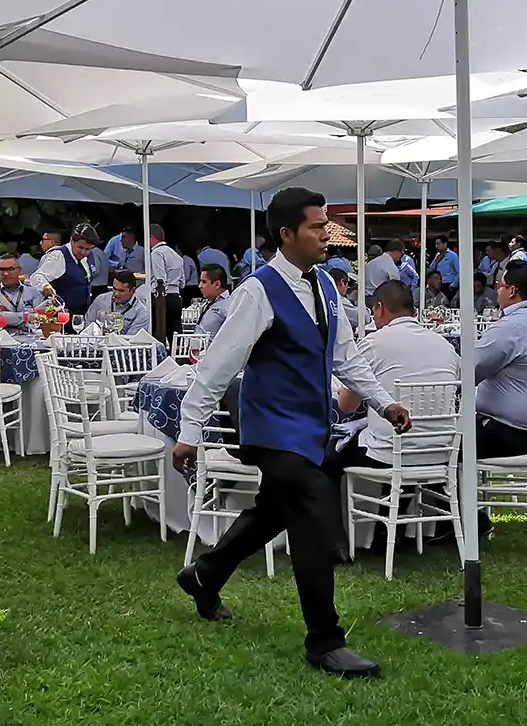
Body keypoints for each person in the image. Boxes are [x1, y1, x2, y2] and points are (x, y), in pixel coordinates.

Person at [174, 186, 409, 679]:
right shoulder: (257, 291)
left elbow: (346, 357)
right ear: (286, 234)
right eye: (316, 227)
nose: (327, 235)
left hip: (311, 428)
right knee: (312, 511)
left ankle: (205, 575)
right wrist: (189, 429)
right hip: (271, 430)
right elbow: (217, 367)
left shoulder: (326, 286)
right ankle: (324, 639)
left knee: (272, 512)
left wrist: (384, 402)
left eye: (326, 225)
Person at [336, 280, 456, 466]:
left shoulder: (373, 344)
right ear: (414, 311)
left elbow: (346, 406)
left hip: (386, 454)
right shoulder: (447, 346)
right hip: (442, 453)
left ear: (380, 308)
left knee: (328, 455)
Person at [472, 262, 527, 459]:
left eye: (499, 286)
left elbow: (468, 371)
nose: (497, 292)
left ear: (512, 291)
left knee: (441, 443)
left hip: (508, 433)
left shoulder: (511, 327)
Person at [30, 223, 96, 318]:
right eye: (80, 247)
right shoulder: (59, 256)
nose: (83, 252)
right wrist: (44, 286)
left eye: (88, 249)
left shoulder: (88, 257)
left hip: (82, 315)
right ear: (71, 240)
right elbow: (37, 276)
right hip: (62, 316)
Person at [0, 254, 50, 329]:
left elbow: (40, 318)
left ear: (19, 270)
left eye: (10, 269)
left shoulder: (34, 292)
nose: (5, 273)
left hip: (30, 334)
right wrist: (27, 316)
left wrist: (8, 314)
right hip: (2, 335)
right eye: (2, 270)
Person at [146, 223, 188, 343]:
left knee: (158, 335)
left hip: (162, 299)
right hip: (176, 298)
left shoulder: (156, 253)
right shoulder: (177, 255)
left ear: (151, 237)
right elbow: (182, 283)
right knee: (176, 336)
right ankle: (177, 355)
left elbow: (160, 280)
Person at [85, 270, 151, 335]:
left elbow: (132, 339)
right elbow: (87, 325)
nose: (116, 294)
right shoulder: (101, 300)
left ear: (133, 291)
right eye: (114, 289)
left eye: (121, 291)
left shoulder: (141, 312)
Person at [196, 264, 233, 337]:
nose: (200, 286)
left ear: (217, 284)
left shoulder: (225, 307)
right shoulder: (215, 302)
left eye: (204, 282)